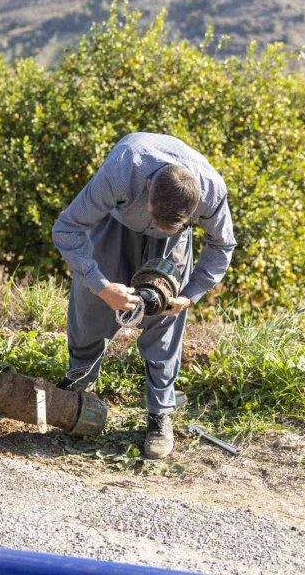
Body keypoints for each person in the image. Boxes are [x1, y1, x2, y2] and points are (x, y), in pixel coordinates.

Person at [52, 132, 236, 459]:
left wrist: (190, 295)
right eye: (157, 219)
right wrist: (100, 284)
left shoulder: (212, 191)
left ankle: (159, 414)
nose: (160, 226)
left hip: (171, 247)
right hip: (116, 224)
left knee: (165, 315)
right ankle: (78, 384)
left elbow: (222, 247)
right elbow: (66, 229)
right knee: (92, 305)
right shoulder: (123, 170)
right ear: (149, 189)